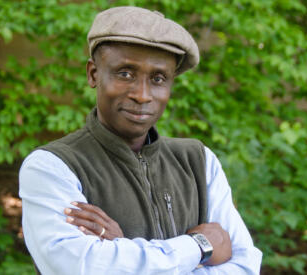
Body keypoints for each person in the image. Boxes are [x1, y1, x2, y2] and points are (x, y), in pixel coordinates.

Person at [19, 6, 262, 275]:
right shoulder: (53, 167)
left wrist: (122, 254)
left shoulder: (198, 161)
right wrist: (199, 246)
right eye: (125, 74)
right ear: (93, 74)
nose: (143, 95)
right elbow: (81, 267)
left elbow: (245, 266)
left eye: (158, 79)